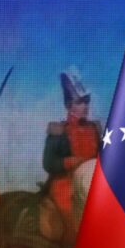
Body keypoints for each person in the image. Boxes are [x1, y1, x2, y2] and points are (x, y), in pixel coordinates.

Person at [43, 69, 102, 235]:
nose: (85, 106)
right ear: (70, 105)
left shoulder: (95, 128)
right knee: (73, 223)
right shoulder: (58, 130)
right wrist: (71, 161)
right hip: (65, 185)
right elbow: (48, 163)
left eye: (87, 101)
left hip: (93, 183)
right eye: (80, 102)